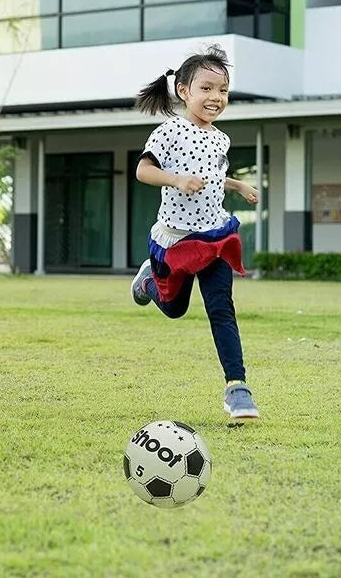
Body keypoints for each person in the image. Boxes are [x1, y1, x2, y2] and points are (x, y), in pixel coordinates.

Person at [129, 45, 261, 419]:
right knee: (174, 308)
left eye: (222, 90)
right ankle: (147, 281)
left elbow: (213, 176)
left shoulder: (221, 139)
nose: (215, 97)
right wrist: (175, 179)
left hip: (215, 236)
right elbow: (143, 170)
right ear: (184, 91)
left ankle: (238, 388)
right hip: (176, 239)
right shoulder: (170, 131)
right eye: (206, 88)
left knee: (222, 309)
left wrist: (237, 186)